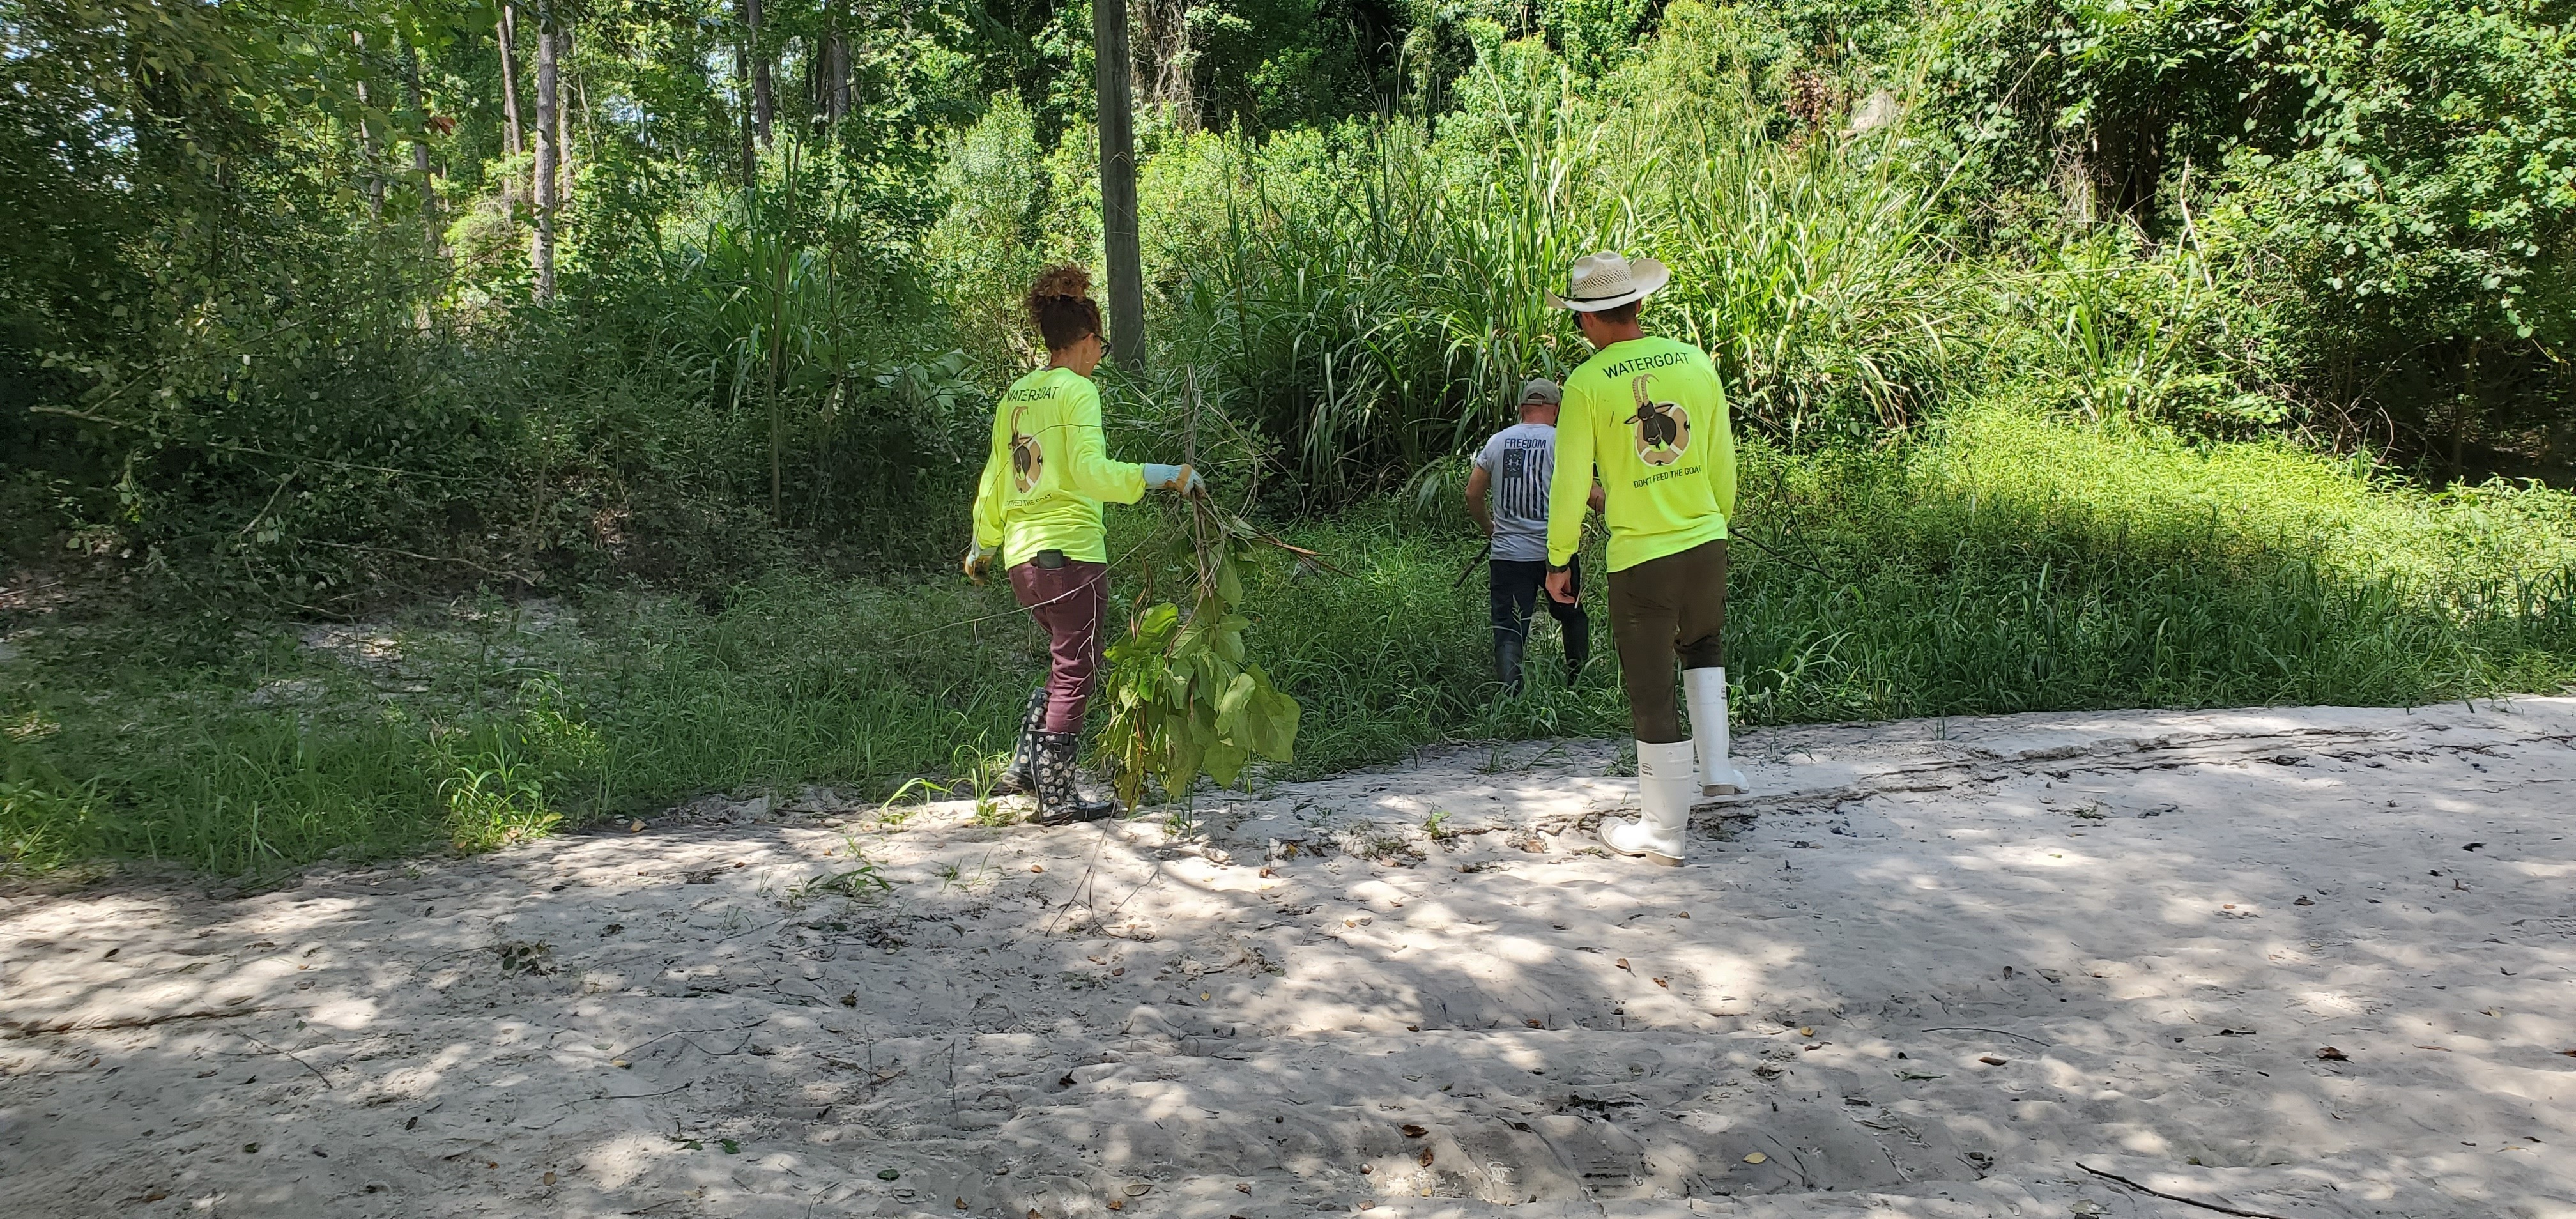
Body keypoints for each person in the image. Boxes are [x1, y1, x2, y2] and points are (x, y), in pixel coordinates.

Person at [966, 265, 1202, 824]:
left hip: (1025, 562)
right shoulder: (1078, 391)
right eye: (1102, 343)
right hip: (1071, 554)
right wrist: (1163, 474)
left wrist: (982, 546)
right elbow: (1091, 474)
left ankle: (1025, 769)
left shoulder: (1016, 395)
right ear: (1088, 339)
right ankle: (1057, 798)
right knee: (1078, 669)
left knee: (1063, 663)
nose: (1101, 354)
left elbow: (997, 479)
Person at [1542, 251, 1747, 866]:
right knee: (1703, 646)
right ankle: (1718, 771)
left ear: (1589, 320)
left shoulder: (1586, 384)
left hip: (1642, 557)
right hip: (1707, 540)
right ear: (1637, 305)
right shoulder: (1694, 360)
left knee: (1650, 686)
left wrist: (1560, 559)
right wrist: (1714, 522)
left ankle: (1662, 832)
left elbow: (1571, 483)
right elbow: (1721, 459)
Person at [1466, 378, 1601, 694]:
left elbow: (1473, 494)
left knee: (1509, 627)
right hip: (1557, 554)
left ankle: (1511, 699)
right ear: (1555, 410)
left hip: (1508, 555)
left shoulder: (1498, 442)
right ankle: (1577, 688)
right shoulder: (1561, 442)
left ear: (1522, 409)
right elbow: (1590, 495)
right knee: (1572, 616)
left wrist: (1491, 530)